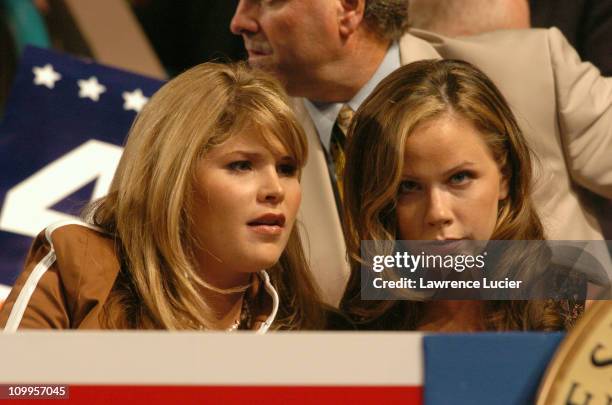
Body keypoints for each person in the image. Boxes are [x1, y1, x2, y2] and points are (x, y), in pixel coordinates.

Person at [230, 0, 612, 307]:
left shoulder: (532, 70)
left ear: (348, 7)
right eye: (406, 187)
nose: (239, 21)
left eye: (269, 2)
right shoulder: (245, 134)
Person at [0, 62, 328, 332]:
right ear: (172, 179)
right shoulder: (78, 266)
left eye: (286, 168)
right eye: (241, 165)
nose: (275, 189)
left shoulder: (313, 329)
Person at [340, 59, 584, 331]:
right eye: (408, 187)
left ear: (505, 176)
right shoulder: (359, 327)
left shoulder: (578, 312)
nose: (437, 213)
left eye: (459, 178)